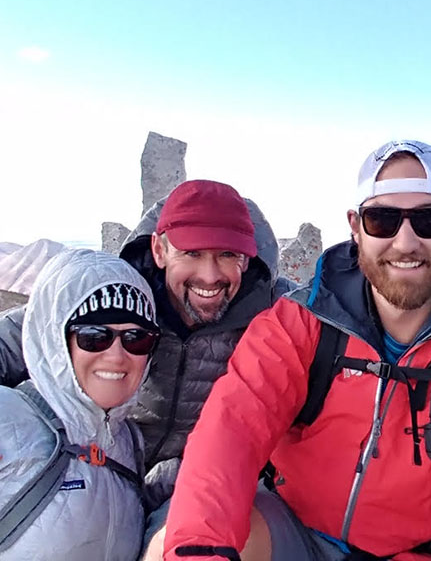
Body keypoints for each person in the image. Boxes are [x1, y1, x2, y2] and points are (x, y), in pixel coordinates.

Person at [158, 140, 431, 561]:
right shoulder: (301, 324)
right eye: (382, 219)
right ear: (356, 226)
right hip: (293, 530)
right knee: (174, 544)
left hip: (420, 552)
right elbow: (232, 431)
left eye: (430, 220)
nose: (405, 242)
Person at [0, 180, 294, 531]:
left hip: (194, 482)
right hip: (96, 465)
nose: (210, 275)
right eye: (192, 253)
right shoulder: (116, 294)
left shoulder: (276, 311)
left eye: (228, 255)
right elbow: (26, 332)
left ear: (246, 259)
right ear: (159, 251)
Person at [0, 248, 160, 560]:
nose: (116, 355)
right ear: (57, 340)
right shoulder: (8, 419)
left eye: (136, 338)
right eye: (94, 336)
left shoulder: (128, 442)